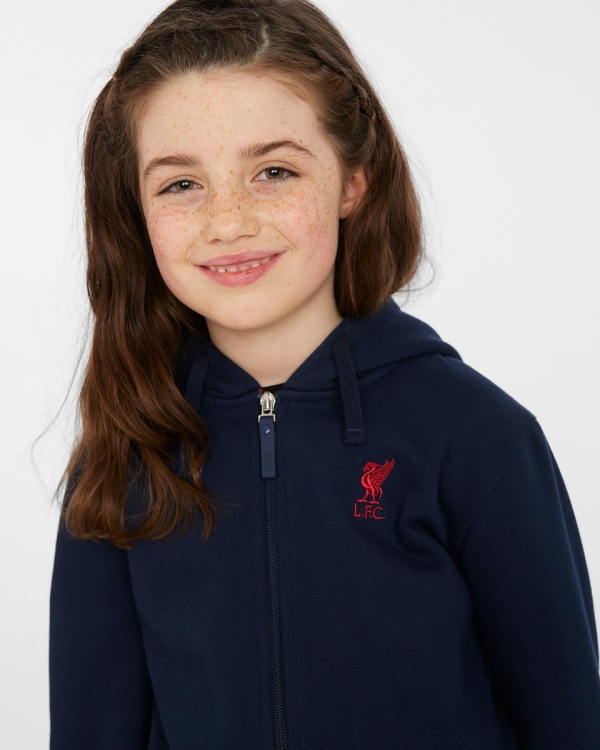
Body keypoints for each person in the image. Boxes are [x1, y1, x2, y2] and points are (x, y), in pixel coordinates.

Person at [48, 0, 600, 748]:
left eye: (273, 171)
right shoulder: (123, 454)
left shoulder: (478, 437)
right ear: (134, 210)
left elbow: (568, 723)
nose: (228, 221)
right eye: (181, 184)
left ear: (353, 181)